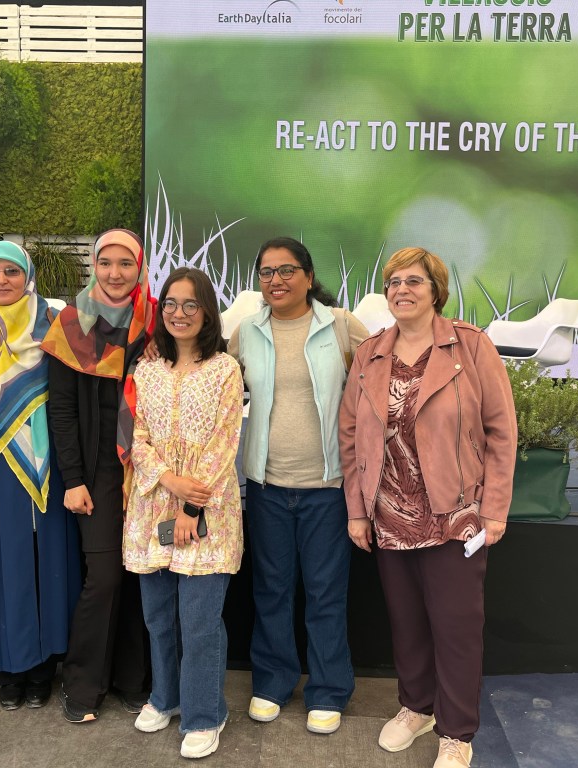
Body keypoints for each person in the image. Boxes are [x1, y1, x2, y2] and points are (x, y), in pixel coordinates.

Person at [338, 247, 517, 768]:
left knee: (456, 627)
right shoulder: (370, 353)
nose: (402, 290)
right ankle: (416, 707)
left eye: (413, 281)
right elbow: (350, 434)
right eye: (393, 282)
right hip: (389, 512)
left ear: (436, 290)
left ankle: (457, 732)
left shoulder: (471, 345)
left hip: (455, 515)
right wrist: (357, 510)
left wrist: (495, 510)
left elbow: (501, 432)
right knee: (407, 621)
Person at [228, 236, 368, 735]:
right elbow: (216, 383)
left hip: (328, 487)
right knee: (271, 590)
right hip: (267, 485)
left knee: (326, 593)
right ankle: (272, 683)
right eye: (267, 272)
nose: (276, 280)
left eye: (287, 270)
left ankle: (328, 690)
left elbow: (379, 385)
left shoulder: (342, 326)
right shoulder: (246, 332)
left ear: (309, 277)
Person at [0, 241, 81, 711]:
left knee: (47, 560)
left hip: (49, 466)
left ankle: (43, 667)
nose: (1, 280)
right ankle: (8, 667)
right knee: (3, 565)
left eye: (11, 271)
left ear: (28, 276)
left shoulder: (53, 324)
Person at [125, 267, 244, 759]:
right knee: (158, 617)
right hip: (152, 505)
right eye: (170, 303)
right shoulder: (146, 369)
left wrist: (191, 502)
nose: (179, 313)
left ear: (207, 311)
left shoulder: (224, 369)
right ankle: (166, 697)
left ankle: (204, 714)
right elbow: (135, 435)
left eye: (190, 304)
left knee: (199, 622)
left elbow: (224, 442)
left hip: (206, 509)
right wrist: (166, 479)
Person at [41, 227, 155, 723]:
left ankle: (134, 680)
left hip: (150, 467)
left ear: (140, 268)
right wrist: (74, 479)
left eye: (125, 263)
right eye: (105, 263)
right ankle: (83, 686)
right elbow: (62, 409)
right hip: (97, 469)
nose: (114, 273)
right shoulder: (70, 324)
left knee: (140, 574)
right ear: (94, 266)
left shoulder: (159, 322)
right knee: (104, 576)